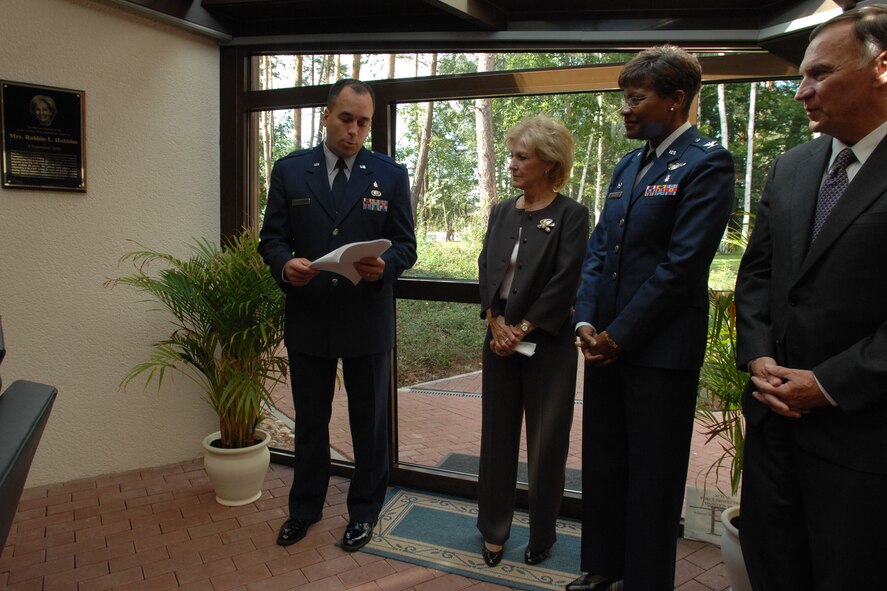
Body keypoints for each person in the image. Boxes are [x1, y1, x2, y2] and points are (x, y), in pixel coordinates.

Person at [568, 46, 735, 591]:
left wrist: (622, 334)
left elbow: (683, 265)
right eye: (624, 98)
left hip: (658, 353)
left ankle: (643, 581)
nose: (625, 109)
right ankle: (603, 569)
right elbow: (600, 251)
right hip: (607, 346)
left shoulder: (708, 162)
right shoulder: (627, 164)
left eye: (636, 98)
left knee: (651, 479)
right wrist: (587, 322)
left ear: (676, 99)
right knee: (606, 465)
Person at [734, 5, 887, 589]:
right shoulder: (793, 167)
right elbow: (758, 275)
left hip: (864, 445)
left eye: (819, 74)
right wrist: (756, 355)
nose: (802, 93)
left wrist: (826, 385)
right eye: (802, 76)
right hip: (775, 431)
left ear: (881, 67)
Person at [259, 78, 417, 552]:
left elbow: (406, 244)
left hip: (366, 319)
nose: (354, 130)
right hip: (309, 316)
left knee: (369, 425)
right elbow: (271, 239)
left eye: (363, 122)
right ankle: (304, 510)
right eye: (346, 118)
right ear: (326, 116)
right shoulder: (290, 171)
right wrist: (284, 264)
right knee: (311, 422)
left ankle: (363, 513)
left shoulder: (389, 174)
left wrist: (383, 266)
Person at [476, 115, 589, 568]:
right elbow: (487, 267)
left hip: (549, 346)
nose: (512, 164)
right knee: (497, 440)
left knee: (546, 447)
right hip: (499, 340)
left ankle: (542, 535)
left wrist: (522, 329)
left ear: (548, 163)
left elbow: (566, 281)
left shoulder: (572, 214)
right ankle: (493, 530)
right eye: (511, 155)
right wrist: (495, 320)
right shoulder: (502, 210)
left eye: (522, 157)